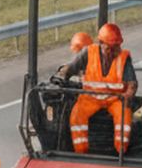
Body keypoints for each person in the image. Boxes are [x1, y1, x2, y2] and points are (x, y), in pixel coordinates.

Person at [57, 22, 137, 154]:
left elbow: (132, 83)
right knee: (77, 115)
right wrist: (62, 77)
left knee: (125, 116)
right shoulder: (88, 53)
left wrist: (128, 95)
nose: (113, 51)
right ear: (101, 43)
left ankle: (121, 151)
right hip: (90, 98)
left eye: (116, 47)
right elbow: (71, 69)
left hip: (115, 99)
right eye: (110, 48)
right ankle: (81, 151)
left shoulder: (123, 58)